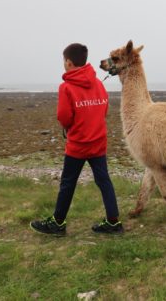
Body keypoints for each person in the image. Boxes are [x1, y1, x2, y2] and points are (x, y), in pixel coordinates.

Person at [30, 43, 123, 235]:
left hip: (78, 145)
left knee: (68, 183)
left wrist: (69, 127)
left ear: (69, 63)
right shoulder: (98, 84)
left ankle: (58, 223)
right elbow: (104, 109)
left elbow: (64, 117)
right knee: (104, 180)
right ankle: (114, 222)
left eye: (64, 61)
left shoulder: (66, 87)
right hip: (98, 142)